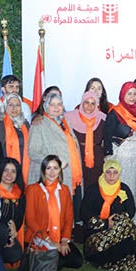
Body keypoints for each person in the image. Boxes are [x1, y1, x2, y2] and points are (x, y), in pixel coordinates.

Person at [81, 159, 136, 270]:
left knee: (127, 225)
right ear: (103, 172)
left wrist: (116, 220)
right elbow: (84, 213)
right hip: (97, 236)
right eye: (108, 172)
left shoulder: (123, 188)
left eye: (115, 172)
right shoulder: (93, 189)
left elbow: (131, 210)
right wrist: (106, 223)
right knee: (127, 228)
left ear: (119, 173)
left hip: (119, 231)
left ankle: (126, 256)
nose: (111, 176)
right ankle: (127, 256)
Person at [28, 92, 83, 225]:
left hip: (72, 174)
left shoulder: (65, 122)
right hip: (52, 175)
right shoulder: (39, 124)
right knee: (54, 211)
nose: (56, 107)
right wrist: (55, 163)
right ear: (46, 107)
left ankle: (66, 235)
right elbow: (33, 151)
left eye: (59, 104)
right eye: (52, 105)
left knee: (67, 208)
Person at [24, 155, 83, 270]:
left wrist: (65, 240)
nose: (52, 172)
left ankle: (51, 257)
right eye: (48, 168)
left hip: (58, 236)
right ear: (43, 170)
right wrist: (50, 241)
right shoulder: (33, 189)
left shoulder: (64, 190)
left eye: (55, 168)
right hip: (40, 236)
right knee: (57, 261)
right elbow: (30, 220)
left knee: (77, 261)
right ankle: (43, 254)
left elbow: (68, 218)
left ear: (60, 170)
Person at [104, 82, 136, 229]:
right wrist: (108, 158)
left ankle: (135, 225)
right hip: (122, 161)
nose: (132, 97)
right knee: (122, 192)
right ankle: (119, 227)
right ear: (123, 94)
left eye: (135, 94)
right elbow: (107, 136)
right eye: (129, 93)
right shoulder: (115, 113)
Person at [66, 91, 106, 190]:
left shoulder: (102, 119)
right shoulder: (70, 118)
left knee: (94, 189)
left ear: (97, 105)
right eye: (86, 102)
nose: (89, 106)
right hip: (77, 157)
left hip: (96, 160)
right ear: (81, 103)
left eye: (93, 103)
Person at [0, 158, 26, 265]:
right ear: (0, 171)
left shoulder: (20, 193)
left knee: (15, 254)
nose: (9, 174)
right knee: (1, 231)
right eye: (5, 170)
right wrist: (6, 233)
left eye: (13, 171)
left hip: (7, 233)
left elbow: (19, 217)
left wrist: (13, 232)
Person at [0, 93, 31, 184]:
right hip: (5, 168)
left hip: (24, 167)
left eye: (17, 105)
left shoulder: (25, 124)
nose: (14, 108)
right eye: (11, 105)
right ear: (5, 106)